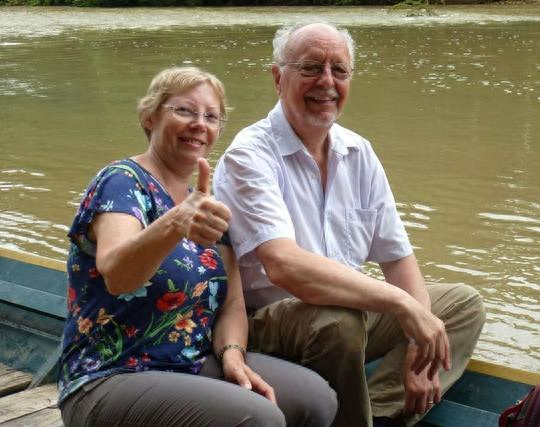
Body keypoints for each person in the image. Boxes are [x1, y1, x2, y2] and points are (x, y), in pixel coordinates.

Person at [213, 23, 486, 427]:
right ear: (278, 78)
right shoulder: (249, 156)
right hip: (268, 324)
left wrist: (418, 339)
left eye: (338, 70)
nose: (327, 82)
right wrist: (402, 305)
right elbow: (284, 266)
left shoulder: (359, 152)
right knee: (341, 320)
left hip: (344, 318)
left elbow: (398, 259)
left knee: (461, 304)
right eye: (311, 68)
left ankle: (377, 414)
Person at [57, 66, 337, 427]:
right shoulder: (122, 182)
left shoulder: (206, 206)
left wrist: (232, 355)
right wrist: (176, 222)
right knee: (260, 419)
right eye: (185, 111)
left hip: (190, 364)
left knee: (316, 400)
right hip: (108, 376)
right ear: (150, 117)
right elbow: (117, 274)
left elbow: (232, 305)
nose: (199, 124)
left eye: (211, 116)